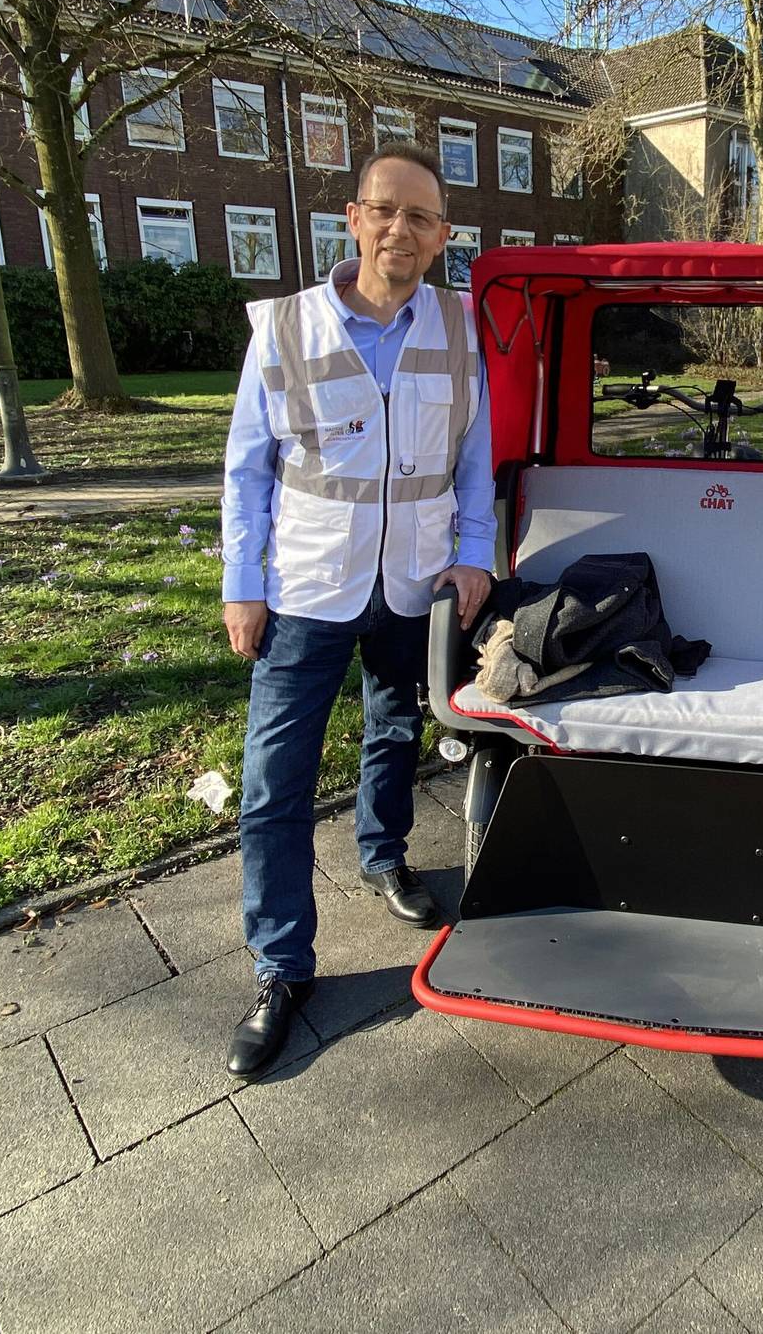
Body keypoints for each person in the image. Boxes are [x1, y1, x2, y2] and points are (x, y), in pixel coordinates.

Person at [217, 141, 494, 1078]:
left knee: (391, 732)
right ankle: (280, 966)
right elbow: (246, 470)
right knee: (273, 782)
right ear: (353, 217)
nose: (400, 230)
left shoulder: (459, 327)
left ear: (443, 235)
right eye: (385, 209)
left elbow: (474, 463)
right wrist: (241, 584)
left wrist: (474, 559)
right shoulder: (286, 329)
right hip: (303, 588)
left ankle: (383, 856)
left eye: (421, 217)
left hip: (412, 584)